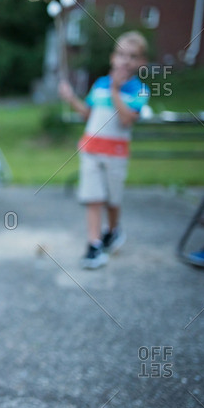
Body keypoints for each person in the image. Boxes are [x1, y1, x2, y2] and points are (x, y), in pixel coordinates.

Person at [59, 31, 149, 269]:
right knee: (93, 197)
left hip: (116, 154)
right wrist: (71, 99)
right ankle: (94, 245)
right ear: (112, 58)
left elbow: (127, 120)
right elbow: (89, 114)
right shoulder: (99, 84)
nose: (125, 60)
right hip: (91, 150)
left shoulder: (139, 90)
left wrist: (116, 91)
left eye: (132, 56)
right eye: (120, 54)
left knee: (112, 199)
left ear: (141, 63)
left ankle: (114, 230)